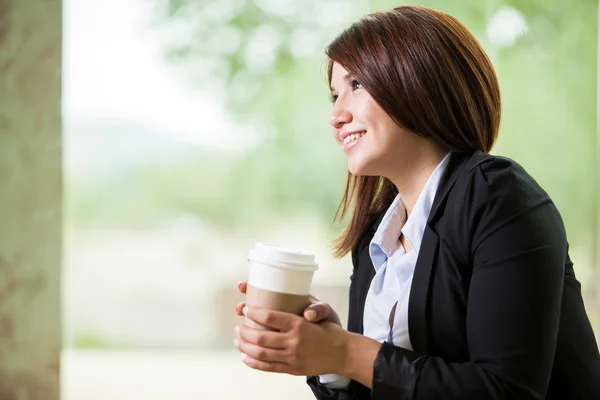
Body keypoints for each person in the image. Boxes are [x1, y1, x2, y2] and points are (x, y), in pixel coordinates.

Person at [233, 5, 600, 399]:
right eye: (335, 94)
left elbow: (508, 390)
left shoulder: (497, 197)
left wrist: (348, 352)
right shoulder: (376, 237)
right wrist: (331, 358)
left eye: (356, 85)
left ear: (418, 81)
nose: (336, 115)